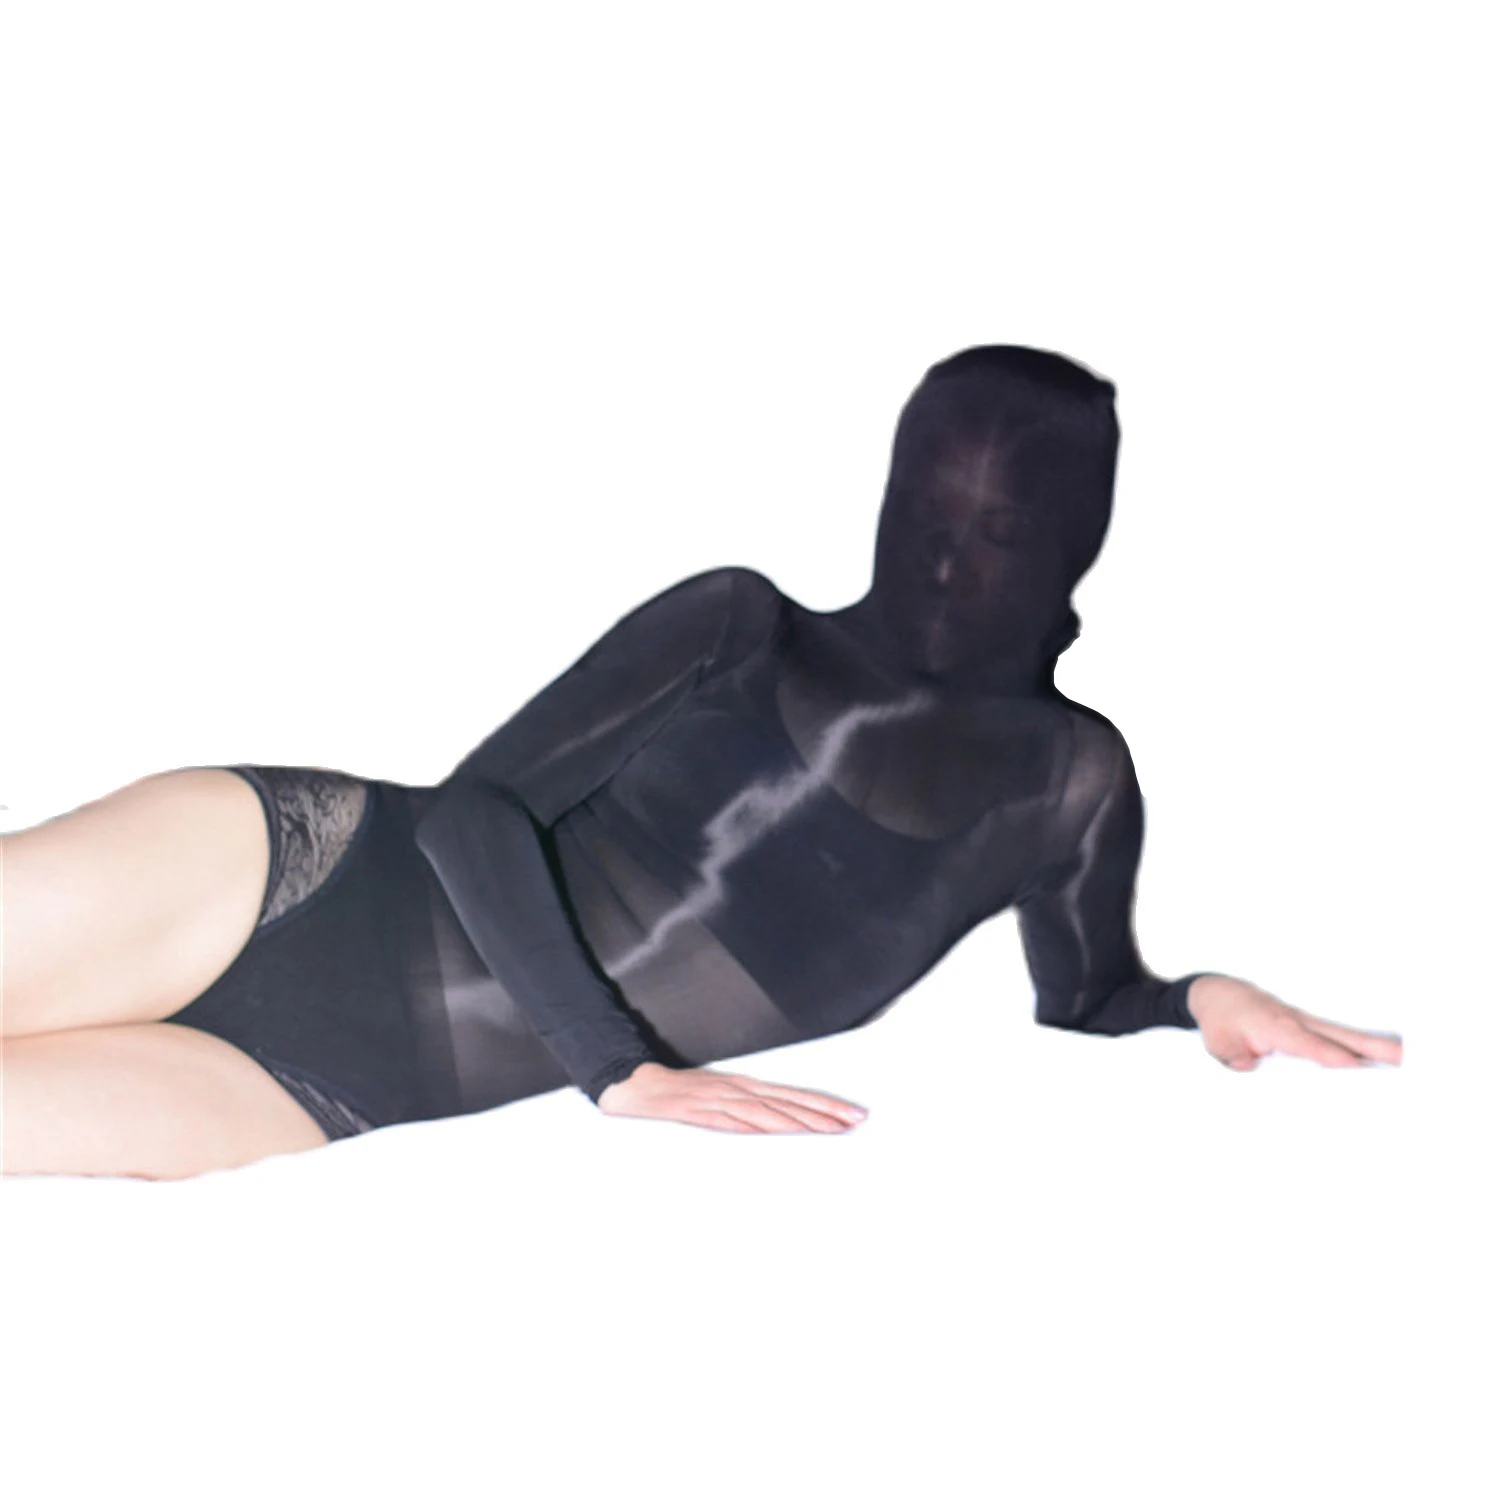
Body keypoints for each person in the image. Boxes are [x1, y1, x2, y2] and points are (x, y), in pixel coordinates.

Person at [1, 344, 1403, 1181]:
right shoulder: (743, 627)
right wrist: (618, 1070)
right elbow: (472, 814)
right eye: (924, 509)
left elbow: (1083, 999)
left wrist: (1197, 1000)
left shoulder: (1070, 787)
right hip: (282, 877)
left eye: (995, 535)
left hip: (335, 1092)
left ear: (1073, 549)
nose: (941, 558)